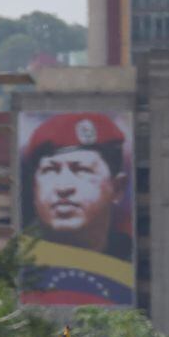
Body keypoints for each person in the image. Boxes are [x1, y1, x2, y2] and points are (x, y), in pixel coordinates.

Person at [19, 112, 133, 307]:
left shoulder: (130, 264)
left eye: (81, 170)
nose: (63, 187)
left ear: (117, 188)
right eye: (50, 170)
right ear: (34, 189)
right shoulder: (15, 266)